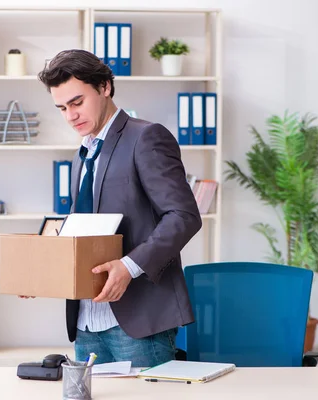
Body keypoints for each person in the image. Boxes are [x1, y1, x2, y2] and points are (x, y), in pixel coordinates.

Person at [35, 49, 202, 368]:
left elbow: (184, 216)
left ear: (105, 87)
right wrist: (40, 273)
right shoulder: (80, 155)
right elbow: (84, 229)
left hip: (140, 321)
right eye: (62, 108)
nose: (70, 115)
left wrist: (129, 266)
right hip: (87, 320)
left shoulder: (146, 137)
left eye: (77, 102)